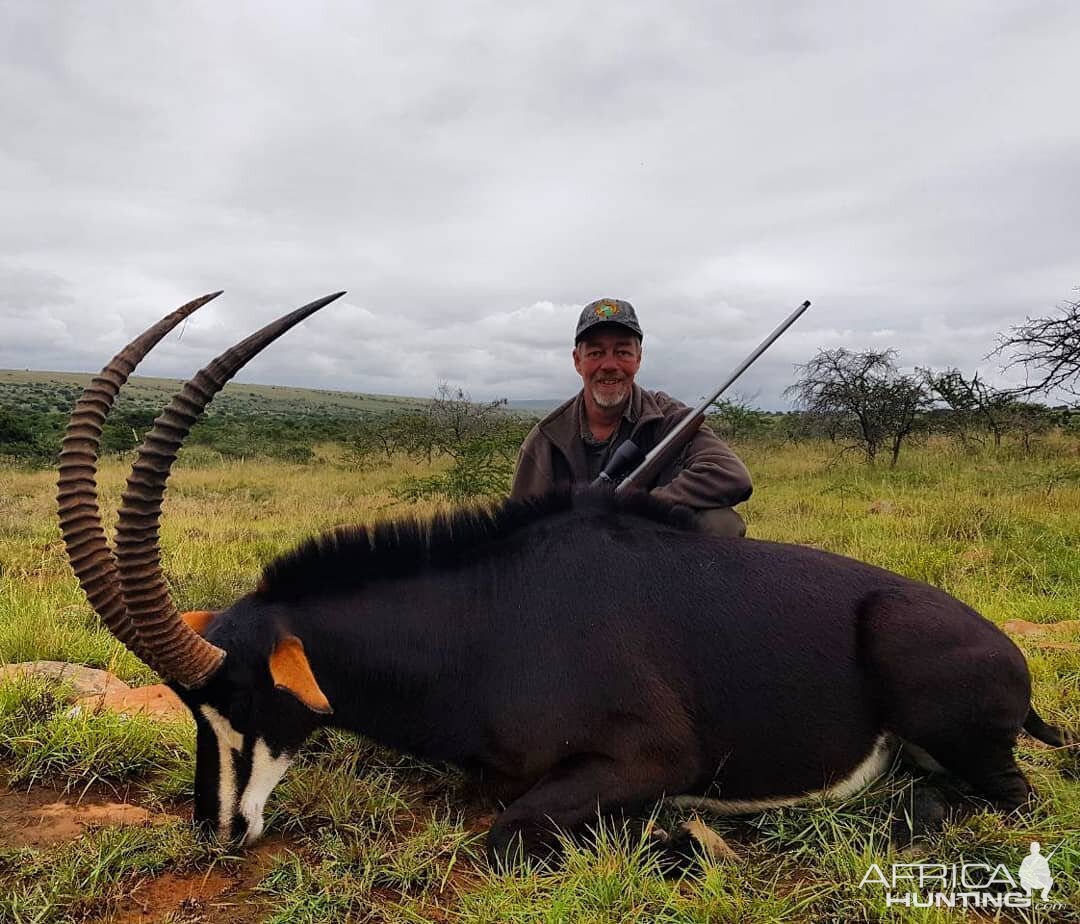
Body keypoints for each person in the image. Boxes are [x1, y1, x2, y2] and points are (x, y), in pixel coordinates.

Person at [510, 298, 752, 537]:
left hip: (654, 552)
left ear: (638, 359)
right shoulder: (546, 440)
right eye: (596, 353)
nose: (609, 365)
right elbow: (518, 537)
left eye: (622, 352)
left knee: (721, 522)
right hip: (578, 560)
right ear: (577, 361)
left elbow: (732, 475)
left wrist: (641, 506)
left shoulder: (669, 418)